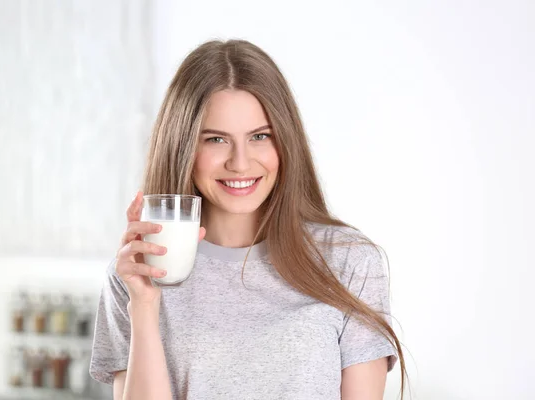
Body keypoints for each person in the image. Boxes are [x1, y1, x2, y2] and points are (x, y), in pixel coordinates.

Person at [89, 39, 407, 400]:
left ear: (286, 141)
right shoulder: (135, 273)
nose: (240, 163)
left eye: (260, 136)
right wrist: (144, 307)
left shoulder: (349, 261)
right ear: (183, 148)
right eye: (216, 140)